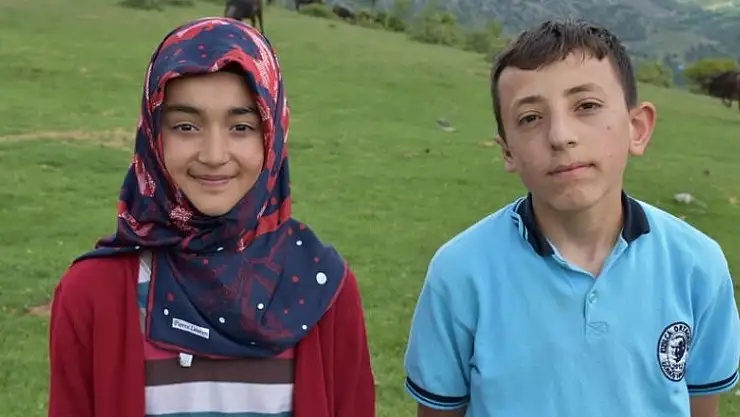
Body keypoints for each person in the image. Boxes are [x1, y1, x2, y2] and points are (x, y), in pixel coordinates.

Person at [403, 18, 740, 417]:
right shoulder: (459, 273)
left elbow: (701, 406)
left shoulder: (697, 265)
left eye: (587, 106)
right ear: (508, 151)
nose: (560, 136)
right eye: (530, 117)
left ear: (637, 129)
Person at [48, 17, 375, 417]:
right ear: (152, 134)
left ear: (273, 134)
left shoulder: (324, 288)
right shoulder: (92, 293)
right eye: (186, 126)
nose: (214, 154)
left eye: (242, 126)